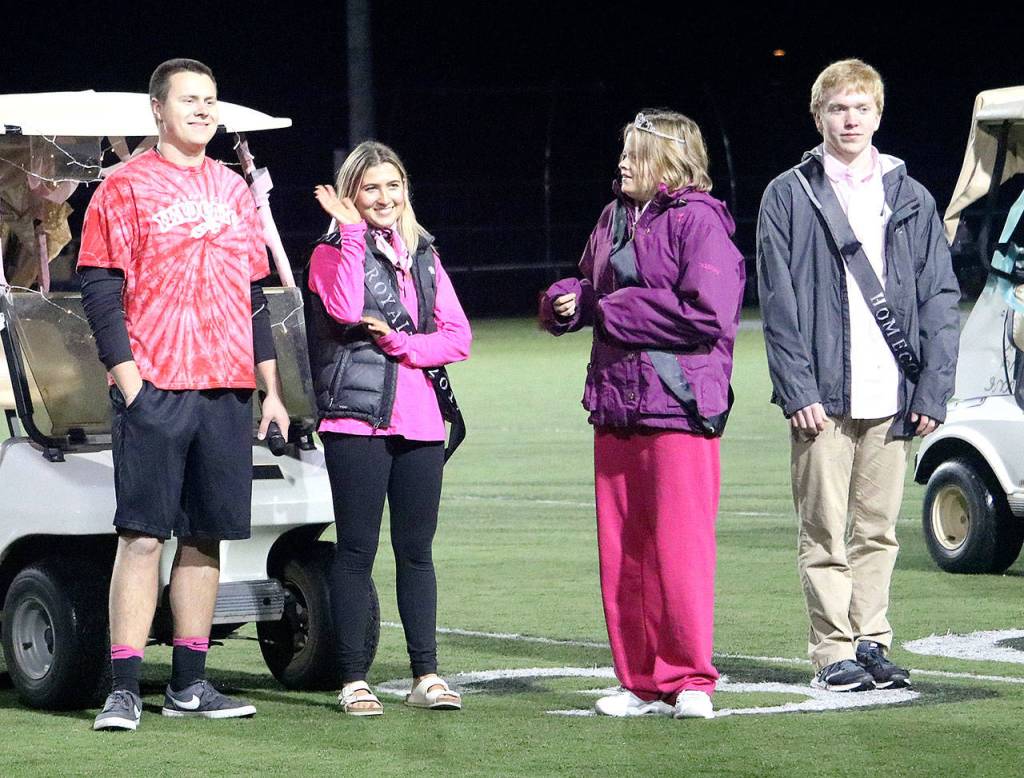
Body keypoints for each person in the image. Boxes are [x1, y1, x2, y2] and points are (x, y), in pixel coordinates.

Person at [79, 58, 290, 730]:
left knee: (205, 539)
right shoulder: (122, 188)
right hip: (156, 387)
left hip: (226, 389)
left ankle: (190, 686)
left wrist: (272, 391)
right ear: (157, 110)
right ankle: (122, 688)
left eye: (211, 99)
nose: (203, 109)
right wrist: (130, 382)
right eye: (189, 99)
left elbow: (254, 296)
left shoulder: (234, 189)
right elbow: (100, 290)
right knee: (142, 538)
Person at [757, 59, 960, 692]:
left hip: (893, 393)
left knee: (878, 532)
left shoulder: (911, 195)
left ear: (878, 115)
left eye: (862, 108)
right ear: (817, 116)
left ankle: (872, 641)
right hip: (821, 397)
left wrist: (932, 387)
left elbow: (940, 298)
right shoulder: (788, 193)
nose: (851, 119)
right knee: (823, 533)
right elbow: (779, 301)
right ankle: (831, 652)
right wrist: (797, 389)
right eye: (839, 108)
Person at [540, 110, 745, 719]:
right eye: (624, 151)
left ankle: (690, 679)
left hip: (677, 405)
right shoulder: (612, 218)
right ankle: (638, 681)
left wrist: (608, 307)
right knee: (623, 553)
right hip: (616, 403)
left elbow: (707, 313)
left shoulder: (701, 221)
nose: (623, 162)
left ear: (671, 162)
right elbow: (587, 286)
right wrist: (563, 304)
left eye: (636, 152)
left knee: (680, 551)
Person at [306, 141, 471, 716]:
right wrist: (350, 235)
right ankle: (354, 678)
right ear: (352, 194)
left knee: (416, 552)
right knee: (356, 551)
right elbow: (349, 309)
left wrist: (402, 343)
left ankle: (425, 674)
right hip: (356, 419)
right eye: (371, 187)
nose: (384, 197)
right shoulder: (330, 254)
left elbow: (458, 337)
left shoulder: (423, 254)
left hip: (421, 420)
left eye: (392, 185)